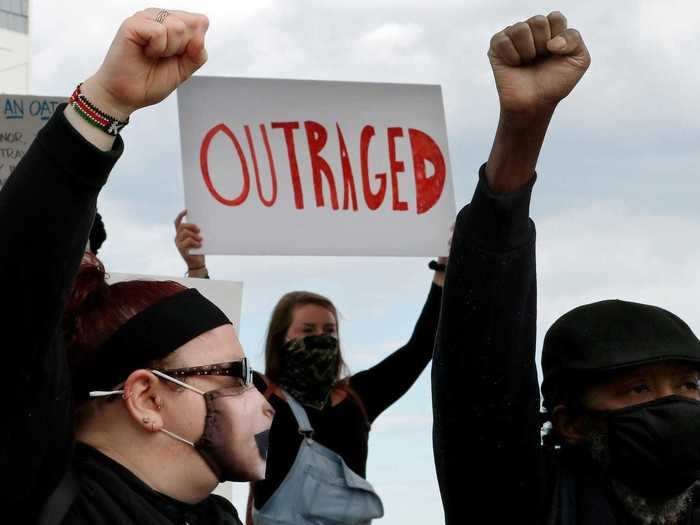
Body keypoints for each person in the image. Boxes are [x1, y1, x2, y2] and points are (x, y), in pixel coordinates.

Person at [2, 9, 274, 525]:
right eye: (234, 378)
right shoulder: (41, 497)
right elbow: (22, 288)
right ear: (146, 397)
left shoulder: (218, 518)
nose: (262, 402)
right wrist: (104, 103)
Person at [431, 11, 700, 525]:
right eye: (638, 390)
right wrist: (522, 129)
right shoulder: (527, 500)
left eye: (688, 386)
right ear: (571, 422)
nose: (674, 407)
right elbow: (481, 370)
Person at [174, 212, 447, 524]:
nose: (321, 339)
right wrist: (197, 269)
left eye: (329, 331)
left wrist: (444, 269)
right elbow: (210, 348)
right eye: (307, 331)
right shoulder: (260, 396)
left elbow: (421, 347)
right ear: (281, 339)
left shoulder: (359, 398)